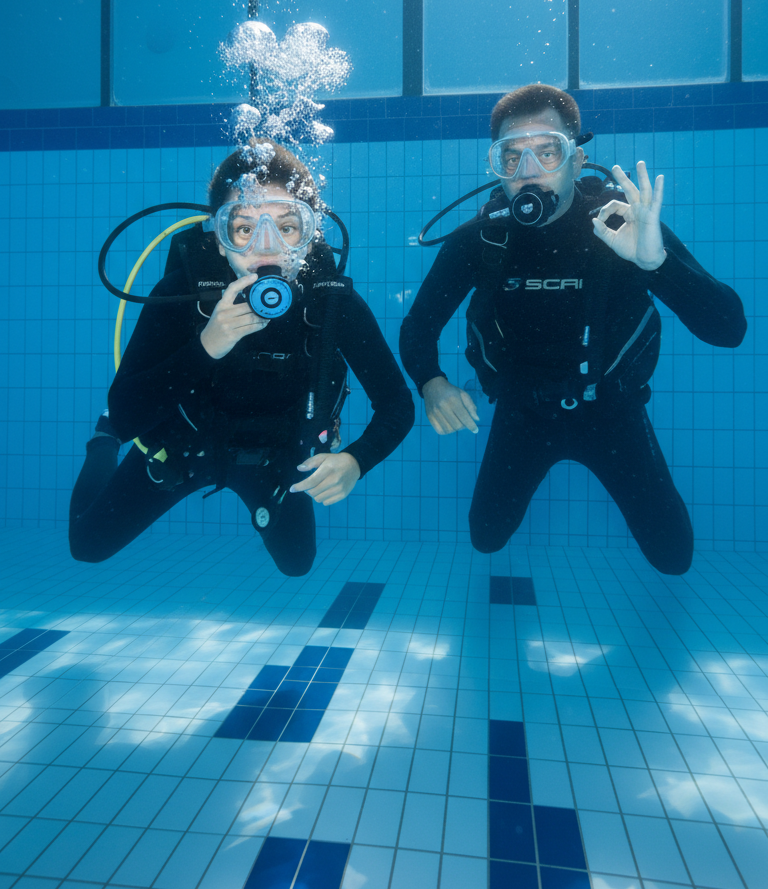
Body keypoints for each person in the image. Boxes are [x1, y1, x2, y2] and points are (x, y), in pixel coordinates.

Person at [399, 84, 747, 575]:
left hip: (613, 413)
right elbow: (419, 326)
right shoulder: (481, 238)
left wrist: (656, 263)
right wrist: (430, 383)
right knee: (486, 536)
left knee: (674, 557)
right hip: (522, 411)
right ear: (495, 166)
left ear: (577, 159)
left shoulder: (622, 224)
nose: (529, 172)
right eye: (511, 157)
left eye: (548, 152)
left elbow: (729, 329)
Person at [70, 138, 414, 576]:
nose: (266, 249)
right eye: (245, 228)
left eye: (287, 228)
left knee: (297, 562)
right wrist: (206, 346)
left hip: (274, 459)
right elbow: (123, 418)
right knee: (87, 544)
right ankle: (95, 448)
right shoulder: (181, 295)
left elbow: (396, 404)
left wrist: (356, 461)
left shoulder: (331, 303)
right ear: (218, 239)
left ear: (309, 238)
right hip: (182, 451)